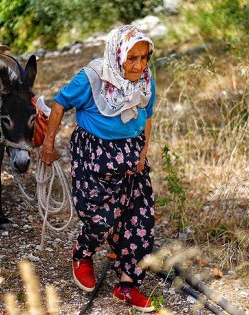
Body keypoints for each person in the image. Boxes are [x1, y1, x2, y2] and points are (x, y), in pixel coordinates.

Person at [39, 25, 157, 313]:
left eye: (144, 57)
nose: (139, 65)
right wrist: (48, 144)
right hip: (95, 156)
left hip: (131, 157)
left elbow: (149, 115)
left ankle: (126, 285)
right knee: (100, 218)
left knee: (139, 220)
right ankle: (82, 252)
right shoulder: (92, 78)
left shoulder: (145, 81)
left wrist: (143, 152)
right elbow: (59, 104)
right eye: (132, 58)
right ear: (118, 54)